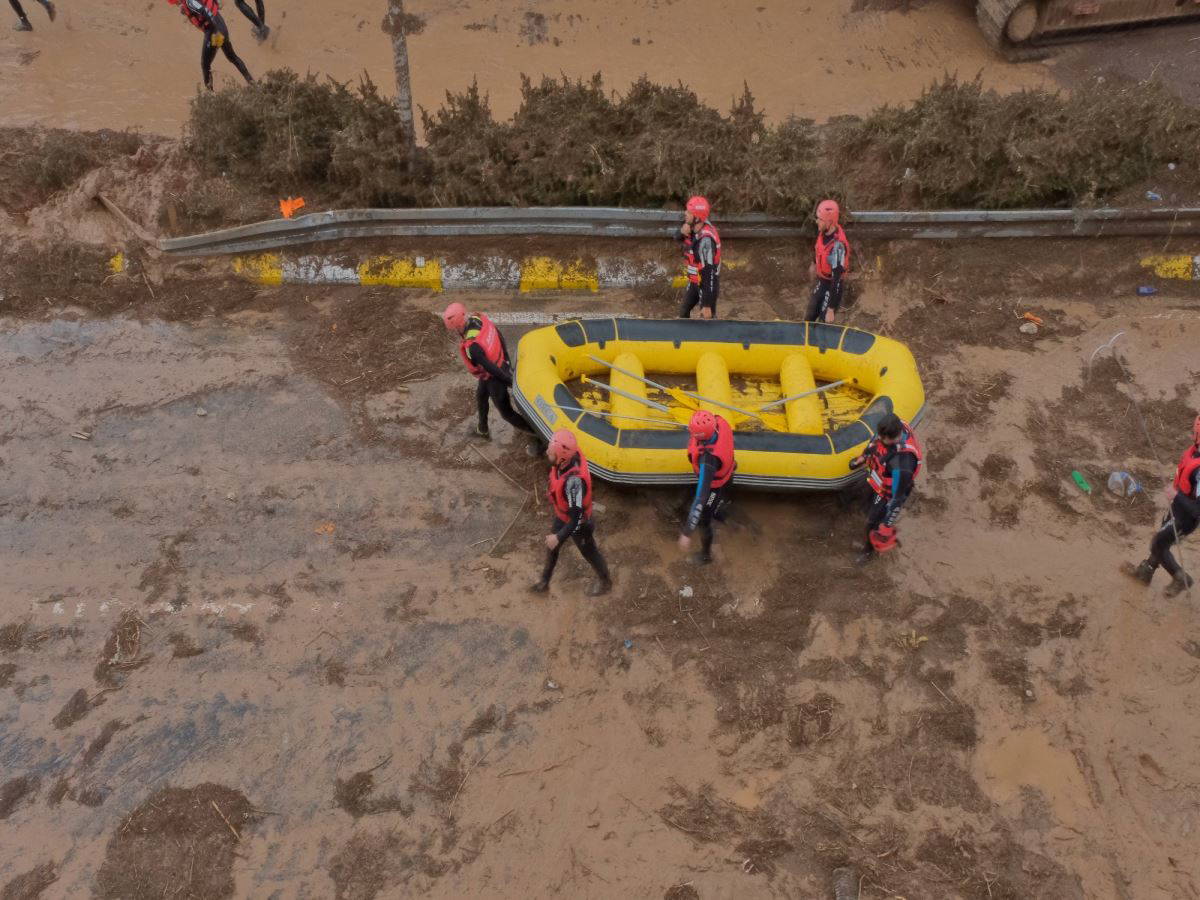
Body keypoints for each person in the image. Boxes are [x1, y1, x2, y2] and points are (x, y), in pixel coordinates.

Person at [443, 302, 539, 448]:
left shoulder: (472, 346)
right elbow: (498, 335)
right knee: (481, 396)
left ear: (456, 327)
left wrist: (509, 382)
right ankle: (483, 429)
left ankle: (538, 436)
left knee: (507, 413)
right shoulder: (479, 319)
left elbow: (488, 367)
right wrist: (506, 359)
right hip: (499, 365)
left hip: (495, 377)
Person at [1123, 415, 1200, 597]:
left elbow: (1198, 511)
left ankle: (1181, 578)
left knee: (1158, 544)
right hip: (1177, 509)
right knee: (1161, 540)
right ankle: (1145, 572)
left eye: (1194, 432)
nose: (1191, 435)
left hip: (1186, 518)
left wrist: (1177, 496)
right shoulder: (1195, 452)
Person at [531, 429, 612, 596]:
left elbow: (575, 519)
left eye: (551, 452)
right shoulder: (565, 459)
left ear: (561, 457)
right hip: (563, 515)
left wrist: (558, 537)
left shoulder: (573, 484)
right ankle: (544, 581)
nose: (547, 452)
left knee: (589, 552)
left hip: (579, 523)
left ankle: (605, 582)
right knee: (552, 548)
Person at [849, 413, 921, 565]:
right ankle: (868, 513)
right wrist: (862, 459)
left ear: (894, 437)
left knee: (872, 522)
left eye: (884, 439)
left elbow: (897, 498)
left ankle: (868, 550)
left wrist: (887, 524)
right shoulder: (889, 429)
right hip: (876, 477)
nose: (880, 440)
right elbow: (874, 444)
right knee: (860, 496)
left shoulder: (903, 464)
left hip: (887, 493)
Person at [678, 410, 735, 564]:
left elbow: (701, 498)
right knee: (707, 500)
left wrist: (687, 532)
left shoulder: (708, 460)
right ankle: (721, 512)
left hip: (715, 486)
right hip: (729, 473)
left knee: (704, 519)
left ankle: (705, 555)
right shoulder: (720, 422)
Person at [168, 0, 254, 90]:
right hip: (220, 24)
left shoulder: (190, 2)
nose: (176, 5)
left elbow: (206, 12)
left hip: (214, 32)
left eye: (175, 3)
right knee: (232, 57)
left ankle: (210, 97)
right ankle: (252, 83)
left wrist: (216, 32)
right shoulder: (188, 3)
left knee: (205, 64)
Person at [677, 195, 722, 320]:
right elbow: (676, 237)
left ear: (697, 217)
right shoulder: (692, 227)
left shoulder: (705, 241)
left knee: (707, 320)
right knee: (683, 313)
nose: (685, 213)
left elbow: (709, 274)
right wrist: (681, 231)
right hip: (694, 281)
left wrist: (707, 304)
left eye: (689, 212)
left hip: (706, 284)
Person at [807, 199, 851, 324]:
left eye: (820, 219)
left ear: (830, 222)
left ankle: (822, 340)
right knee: (809, 315)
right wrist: (813, 264)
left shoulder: (838, 247)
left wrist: (831, 309)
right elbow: (818, 249)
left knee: (823, 323)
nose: (817, 222)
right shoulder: (823, 232)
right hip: (822, 281)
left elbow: (837, 281)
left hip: (832, 286)